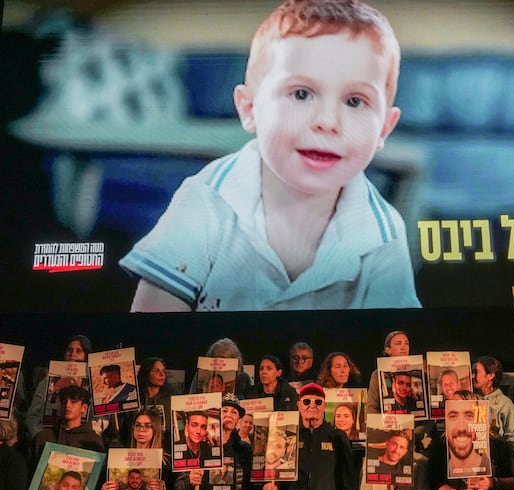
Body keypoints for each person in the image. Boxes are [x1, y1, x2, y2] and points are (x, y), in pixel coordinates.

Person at [120, 0, 420, 312]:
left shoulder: (383, 234)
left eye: (355, 102)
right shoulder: (206, 201)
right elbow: (152, 327)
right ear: (249, 110)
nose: (328, 122)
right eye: (301, 94)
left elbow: (396, 346)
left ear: (384, 129)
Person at [263, 383, 359, 490]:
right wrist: (269, 486)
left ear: (324, 406)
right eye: (307, 401)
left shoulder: (337, 436)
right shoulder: (287, 434)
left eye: (318, 402)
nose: (312, 406)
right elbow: (275, 469)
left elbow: (347, 480)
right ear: (299, 405)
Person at [431, 391, 514, 490]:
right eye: (454, 414)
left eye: (468, 414)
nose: (462, 423)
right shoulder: (441, 445)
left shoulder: (497, 445)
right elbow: (436, 483)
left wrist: (492, 483)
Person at [174, 394, 263, 490]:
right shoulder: (198, 447)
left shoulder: (245, 451)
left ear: (239, 419)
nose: (229, 415)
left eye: (234, 412)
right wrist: (189, 481)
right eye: (224, 410)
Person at [25, 334, 93, 441]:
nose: (73, 354)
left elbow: (99, 419)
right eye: (69, 350)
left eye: (78, 351)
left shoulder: (93, 383)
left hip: (82, 441)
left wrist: (88, 435)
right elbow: (33, 415)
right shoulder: (47, 381)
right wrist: (39, 434)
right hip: (49, 439)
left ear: (86, 355)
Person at [33, 385, 105, 458]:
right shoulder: (44, 436)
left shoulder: (93, 440)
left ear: (84, 408)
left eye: (73, 402)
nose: (67, 405)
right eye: (64, 402)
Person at [472, 356, 514, 454]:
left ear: (490, 375)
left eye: (476, 372)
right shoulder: (469, 400)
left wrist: (506, 458)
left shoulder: (504, 403)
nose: (472, 376)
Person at [445, 399, 491, 476]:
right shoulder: (439, 472)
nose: (461, 428)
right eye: (453, 416)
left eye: (469, 416)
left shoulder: (492, 466)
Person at [367, 331, 410, 413]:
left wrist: (419, 426)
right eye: (398, 343)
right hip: (387, 424)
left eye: (406, 343)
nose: (404, 347)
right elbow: (371, 407)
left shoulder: (419, 372)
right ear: (388, 350)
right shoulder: (378, 375)